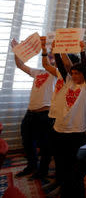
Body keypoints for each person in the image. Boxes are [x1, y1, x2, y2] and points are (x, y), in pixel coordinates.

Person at [41, 38, 86, 198]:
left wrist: (82, 51)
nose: (75, 75)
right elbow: (63, 68)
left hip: (75, 132)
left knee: (71, 165)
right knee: (60, 163)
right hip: (59, 129)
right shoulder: (68, 81)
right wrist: (57, 50)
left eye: (78, 73)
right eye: (73, 73)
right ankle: (62, 187)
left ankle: (68, 191)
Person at [10, 38, 55, 180]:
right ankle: (32, 165)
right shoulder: (37, 72)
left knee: (45, 145)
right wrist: (17, 51)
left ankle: (42, 171)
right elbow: (20, 65)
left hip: (46, 115)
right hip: (30, 113)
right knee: (27, 140)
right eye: (49, 55)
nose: (50, 57)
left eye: (53, 56)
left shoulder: (58, 73)